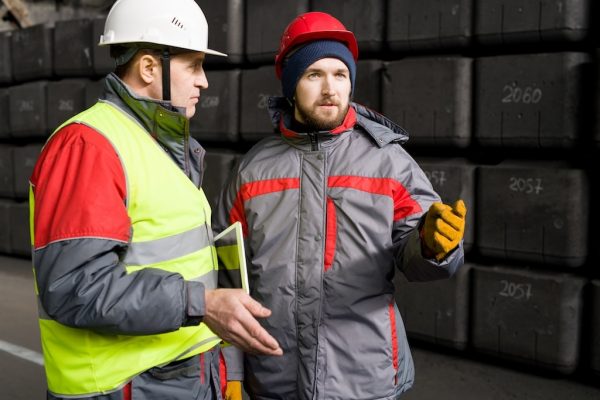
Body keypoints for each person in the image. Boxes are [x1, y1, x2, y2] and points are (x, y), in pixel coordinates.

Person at [28, 0, 281, 399]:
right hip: (126, 386)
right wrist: (202, 304)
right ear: (149, 67)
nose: (204, 82)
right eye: (193, 66)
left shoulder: (157, 144)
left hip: (179, 377)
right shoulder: (88, 146)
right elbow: (74, 286)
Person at [213, 11, 467, 400]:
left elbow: (419, 262)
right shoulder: (252, 170)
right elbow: (225, 279)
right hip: (275, 376)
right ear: (291, 84)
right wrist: (229, 369)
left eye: (340, 74)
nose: (330, 88)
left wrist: (433, 247)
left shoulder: (389, 163)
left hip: (364, 376)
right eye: (314, 74)